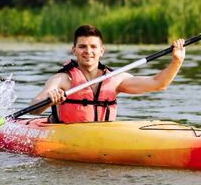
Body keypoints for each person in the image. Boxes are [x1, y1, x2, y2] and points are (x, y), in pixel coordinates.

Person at [29, 24, 185, 123]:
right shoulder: (63, 79)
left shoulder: (115, 79)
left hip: (102, 137)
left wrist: (176, 61)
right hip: (63, 135)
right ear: (74, 50)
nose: (88, 51)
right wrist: (50, 100)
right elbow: (34, 107)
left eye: (93, 47)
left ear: (101, 51)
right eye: (82, 46)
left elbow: (158, 83)